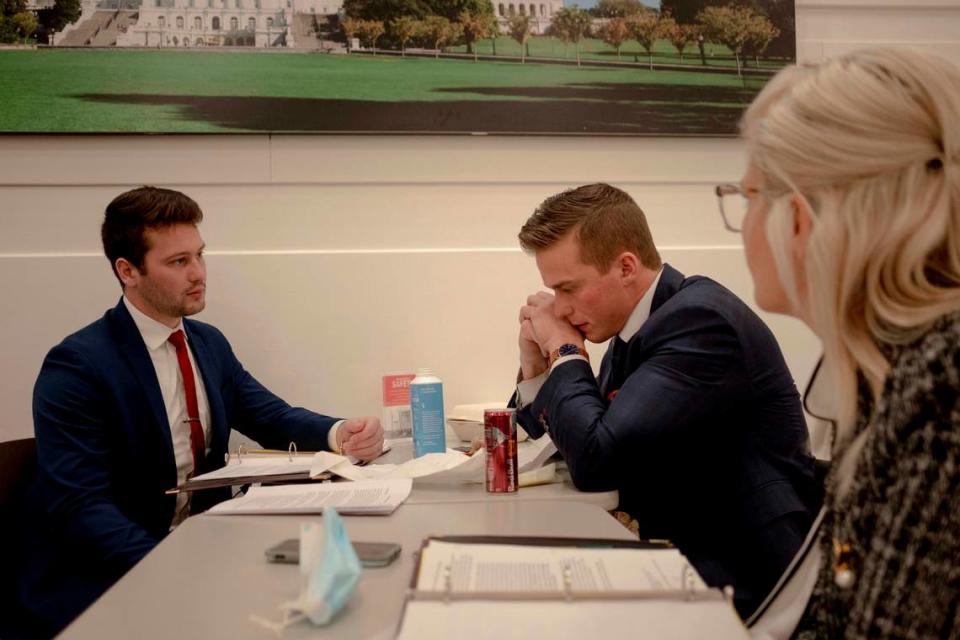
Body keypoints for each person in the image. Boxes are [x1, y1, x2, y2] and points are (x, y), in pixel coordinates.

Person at [16, 186, 384, 636]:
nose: (199, 273)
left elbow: (270, 417)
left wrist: (341, 432)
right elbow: (82, 507)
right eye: (178, 262)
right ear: (128, 270)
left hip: (204, 559)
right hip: (109, 579)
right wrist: (173, 569)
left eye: (199, 255)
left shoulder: (206, 342)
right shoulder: (78, 366)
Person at [729, 48, 960, 638]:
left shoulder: (941, 381)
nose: (742, 220)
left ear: (800, 219)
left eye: (747, 195)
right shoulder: (895, 367)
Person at [513, 183, 820, 618]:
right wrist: (536, 364)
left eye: (569, 289)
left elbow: (597, 459)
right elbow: (559, 435)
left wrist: (564, 352)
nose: (560, 310)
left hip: (743, 571)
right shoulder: (637, 323)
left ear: (625, 267)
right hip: (681, 550)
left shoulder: (699, 322)